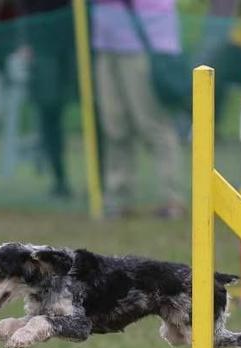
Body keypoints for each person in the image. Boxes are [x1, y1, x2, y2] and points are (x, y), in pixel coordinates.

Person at [91, 0, 184, 220]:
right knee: (114, 126)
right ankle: (119, 198)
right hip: (106, 43)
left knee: (153, 125)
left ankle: (172, 198)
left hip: (145, 42)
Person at [17, 0, 73, 199]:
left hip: (76, 38)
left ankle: (102, 181)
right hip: (40, 39)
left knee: (96, 109)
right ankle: (60, 180)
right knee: (48, 113)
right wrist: (25, 41)